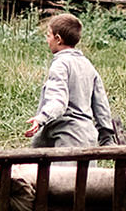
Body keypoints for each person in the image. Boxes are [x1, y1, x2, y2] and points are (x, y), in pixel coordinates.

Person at [24, 11, 119, 148]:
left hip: (67, 140)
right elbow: (101, 105)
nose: (47, 40)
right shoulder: (87, 65)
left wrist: (42, 118)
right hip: (88, 139)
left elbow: (58, 100)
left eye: (48, 35)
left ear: (58, 39)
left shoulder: (60, 65)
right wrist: (106, 136)